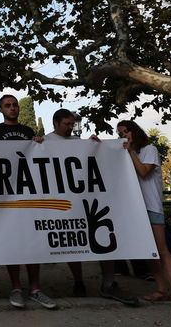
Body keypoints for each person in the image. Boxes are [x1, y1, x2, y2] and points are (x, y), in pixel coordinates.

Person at [45, 108, 137, 305]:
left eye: (72, 124)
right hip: (63, 202)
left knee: (104, 233)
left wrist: (98, 146)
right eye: (67, 124)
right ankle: (79, 281)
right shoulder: (45, 142)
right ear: (56, 123)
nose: (71, 128)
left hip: (85, 197)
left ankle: (109, 283)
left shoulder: (78, 142)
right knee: (72, 240)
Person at [0, 94, 56, 310]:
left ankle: (35, 289)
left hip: (29, 195)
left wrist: (39, 143)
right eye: (8, 105)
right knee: (13, 242)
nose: (13, 108)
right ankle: (16, 288)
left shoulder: (28, 132)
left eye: (15, 105)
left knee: (32, 241)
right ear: (0, 109)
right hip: (5, 196)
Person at [117, 120, 171, 317]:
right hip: (137, 209)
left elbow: (143, 171)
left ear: (135, 132)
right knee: (150, 252)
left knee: (163, 251)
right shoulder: (128, 154)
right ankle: (162, 290)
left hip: (152, 207)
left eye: (126, 131)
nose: (124, 136)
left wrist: (130, 152)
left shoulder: (149, 150)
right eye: (121, 133)